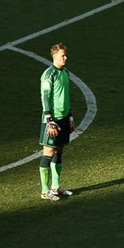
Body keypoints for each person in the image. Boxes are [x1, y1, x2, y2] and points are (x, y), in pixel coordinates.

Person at [38, 43, 75, 201]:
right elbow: (45, 97)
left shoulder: (65, 73)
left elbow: (65, 96)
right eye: (63, 55)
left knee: (59, 152)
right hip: (52, 120)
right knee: (48, 153)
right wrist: (49, 119)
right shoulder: (49, 74)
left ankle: (56, 187)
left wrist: (70, 116)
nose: (65, 57)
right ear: (54, 56)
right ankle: (45, 191)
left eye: (66, 55)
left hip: (64, 118)